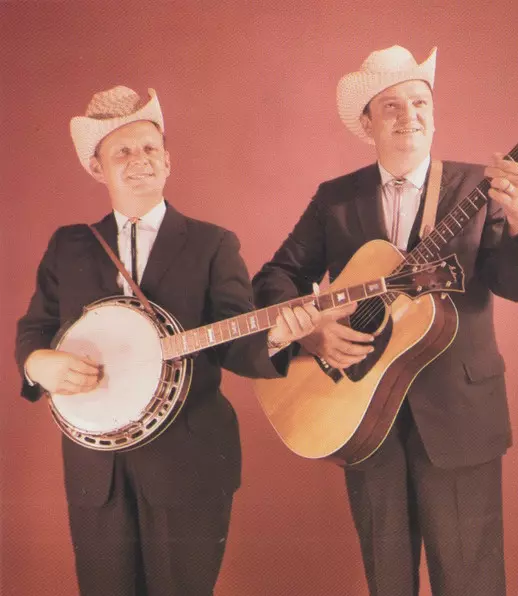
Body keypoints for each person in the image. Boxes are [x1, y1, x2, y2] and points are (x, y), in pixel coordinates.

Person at [252, 45, 518, 596]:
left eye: (419, 102)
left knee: (473, 582)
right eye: (391, 105)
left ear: (434, 114)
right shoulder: (336, 200)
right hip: (361, 414)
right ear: (367, 123)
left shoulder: (478, 188)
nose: (409, 115)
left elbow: (517, 286)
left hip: (460, 415)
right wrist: (312, 332)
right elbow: (275, 277)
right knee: (387, 583)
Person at [15, 85, 319, 596]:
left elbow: (235, 339)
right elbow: (34, 329)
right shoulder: (68, 246)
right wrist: (38, 364)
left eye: (150, 148)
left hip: (189, 462)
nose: (140, 160)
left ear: (168, 160)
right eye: (122, 152)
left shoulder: (212, 243)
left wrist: (276, 338)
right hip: (98, 471)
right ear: (97, 168)